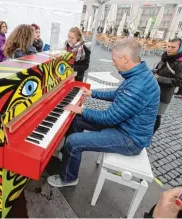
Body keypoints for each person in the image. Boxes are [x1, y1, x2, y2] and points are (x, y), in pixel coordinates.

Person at [47, 39, 160, 187]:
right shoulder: (139, 74)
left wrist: (81, 109)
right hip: (124, 126)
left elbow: (108, 119)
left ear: (125, 59)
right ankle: (69, 155)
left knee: (73, 141)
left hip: (129, 138)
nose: (113, 63)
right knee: (76, 120)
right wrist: (92, 93)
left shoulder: (138, 85)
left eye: (114, 59)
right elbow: (119, 94)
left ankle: (69, 178)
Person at [153, 38, 182, 133]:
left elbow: (179, 82)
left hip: (164, 95)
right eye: (168, 46)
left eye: (173, 47)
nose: (169, 49)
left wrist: (158, 78)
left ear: (180, 48)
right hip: (152, 91)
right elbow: (159, 69)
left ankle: (148, 136)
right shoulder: (166, 57)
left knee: (156, 116)